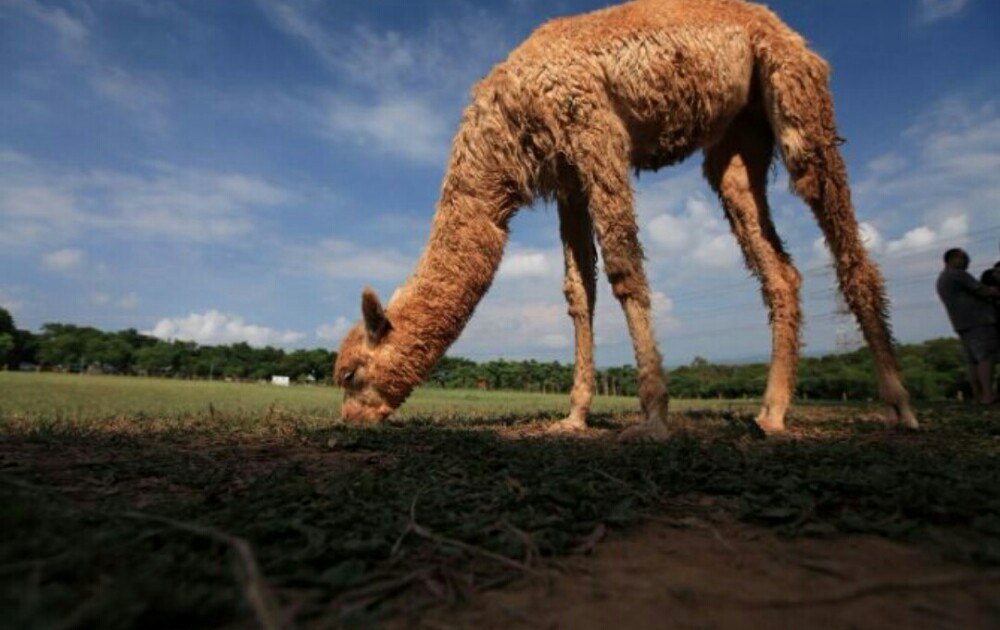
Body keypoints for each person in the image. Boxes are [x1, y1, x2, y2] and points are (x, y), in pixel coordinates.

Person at [936, 249, 1000, 404]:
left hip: (962, 324)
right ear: (954, 259)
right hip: (979, 321)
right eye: (964, 259)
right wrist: (995, 291)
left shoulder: (942, 279)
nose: (967, 263)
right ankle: (988, 395)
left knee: (973, 361)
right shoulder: (958, 275)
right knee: (985, 358)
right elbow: (983, 291)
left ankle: (978, 396)